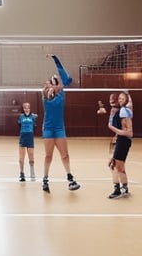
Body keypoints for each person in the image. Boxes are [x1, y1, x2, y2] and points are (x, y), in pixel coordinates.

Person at [40, 54, 80, 193]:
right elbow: (46, 91)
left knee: (65, 155)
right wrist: (48, 87)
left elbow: (66, 78)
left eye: (56, 82)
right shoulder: (45, 94)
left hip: (59, 128)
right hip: (48, 129)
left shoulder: (62, 93)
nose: (56, 84)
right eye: (53, 82)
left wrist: (56, 60)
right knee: (48, 156)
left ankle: (70, 178)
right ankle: (45, 180)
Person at [106, 91, 133, 199]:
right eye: (120, 98)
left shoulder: (125, 112)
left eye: (123, 98)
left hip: (124, 141)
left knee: (116, 166)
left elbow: (129, 133)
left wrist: (114, 129)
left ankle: (119, 189)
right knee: (114, 165)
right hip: (120, 140)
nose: (120, 100)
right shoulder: (121, 111)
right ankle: (123, 188)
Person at [17, 102, 37, 181]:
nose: (26, 109)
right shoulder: (21, 117)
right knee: (21, 158)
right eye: (25, 108)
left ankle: (32, 172)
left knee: (31, 156)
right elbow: (19, 125)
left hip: (30, 138)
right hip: (22, 138)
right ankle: (22, 173)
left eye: (28, 108)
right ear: (23, 109)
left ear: (30, 108)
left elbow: (34, 126)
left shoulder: (33, 117)